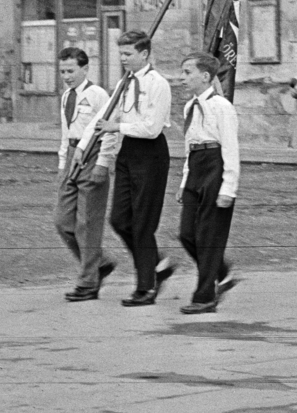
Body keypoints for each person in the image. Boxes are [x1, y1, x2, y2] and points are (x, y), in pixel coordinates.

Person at [98, 30, 175, 306]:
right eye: (121, 54)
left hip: (150, 154)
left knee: (143, 224)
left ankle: (146, 287)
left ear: (144, 54)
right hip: (128, 151)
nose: (123, 59)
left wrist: (115, 126)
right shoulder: (125, 83)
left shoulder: (158, 84)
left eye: (128, 54)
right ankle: (156, 265)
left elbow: (152, 129)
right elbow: (111, 113)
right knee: (119, 219)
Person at [175, 52, 240, 314]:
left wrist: (228, 187)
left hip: (216, 166)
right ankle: (221, 271)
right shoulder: (189, 106)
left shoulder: (222, 107)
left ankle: (205, 297)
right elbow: (189, 145)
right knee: (187, 233)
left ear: (205, 76)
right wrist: (184, 180)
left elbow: (231, 149)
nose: (182, 78)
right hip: (196, 167)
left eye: (187, 73)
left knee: (208, 235)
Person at [54, 47, 115, 301]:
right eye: (62, 71)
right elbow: (66, 133)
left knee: (86, 224)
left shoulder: (98, 95)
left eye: (71, 70)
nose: (66, 76)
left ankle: (88, 282)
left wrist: (103, 163)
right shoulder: (67, 96)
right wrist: (61, 165)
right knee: (63, 221)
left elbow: (110, 130)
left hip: (92, 154)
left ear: (85, 69)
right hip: (72, 156)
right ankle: (100, 262)